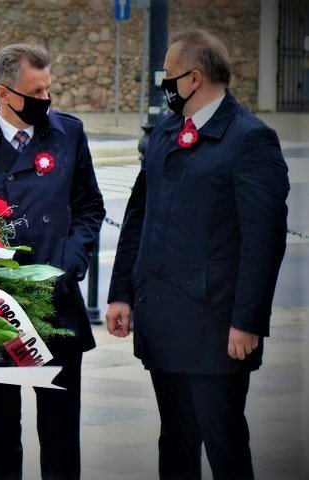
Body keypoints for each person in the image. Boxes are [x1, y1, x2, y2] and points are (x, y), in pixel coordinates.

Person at [106, 29, 289, 480]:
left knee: (223, 439)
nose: (162, 84)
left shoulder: (250, 139)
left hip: (215, 323)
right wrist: (121, 293)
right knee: (176, 438)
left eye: (167, 75)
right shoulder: (166, 132)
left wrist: (248, 321)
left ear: (193, 78)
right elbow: (137, 218)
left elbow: (264, 240)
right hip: (163, 317)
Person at [0, 43, 105, 479]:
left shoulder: (69, 133)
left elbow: (89, 205)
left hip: (58, 302)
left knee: (60, 433)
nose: (46, 100)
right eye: (36, 91)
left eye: (49, 89)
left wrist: (69, 263)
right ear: (4, 93)